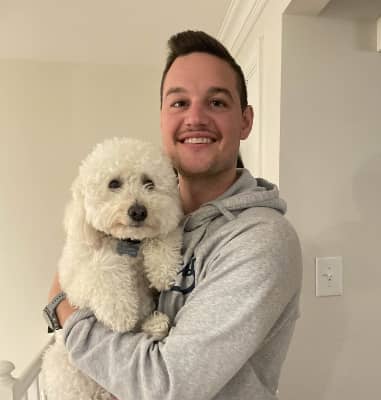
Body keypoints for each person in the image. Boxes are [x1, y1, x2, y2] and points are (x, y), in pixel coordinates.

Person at [47, 30, 302, 400]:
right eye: (179, 103)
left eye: (216, 102)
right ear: (163, 119)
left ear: (245, 121)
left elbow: (166, 386)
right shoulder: (149, 222)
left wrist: (64, 311)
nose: (195, 117)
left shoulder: (260, 239)